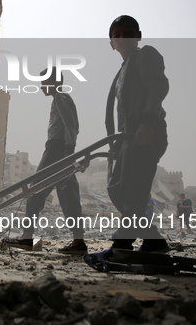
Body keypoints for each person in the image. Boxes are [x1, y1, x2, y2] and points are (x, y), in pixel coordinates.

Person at [84, 15, 169, 269]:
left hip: (146, 133)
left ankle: (122, 245)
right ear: (111, 42)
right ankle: (153, 241)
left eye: (128, 32)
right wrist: (116, 145)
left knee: (133, 192)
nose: (123, 37)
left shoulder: (146, 56)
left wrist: (148, 121)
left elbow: (159, 86)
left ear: (138, 36)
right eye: (117, 34)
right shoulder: (121, 72)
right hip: (126, 140)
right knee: (117, 189)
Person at [1, 67, 85, 254]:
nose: (41, 86)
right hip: (61, 150)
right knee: (69, 194)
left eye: (44, 82)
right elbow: (74, 126)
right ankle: (78, 241)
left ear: (53, 82)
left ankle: (27, 237)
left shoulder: (60, 97)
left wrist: (68, 151)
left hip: (57, 150)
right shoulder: (62, 97)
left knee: (35, 190)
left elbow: (71, 125)